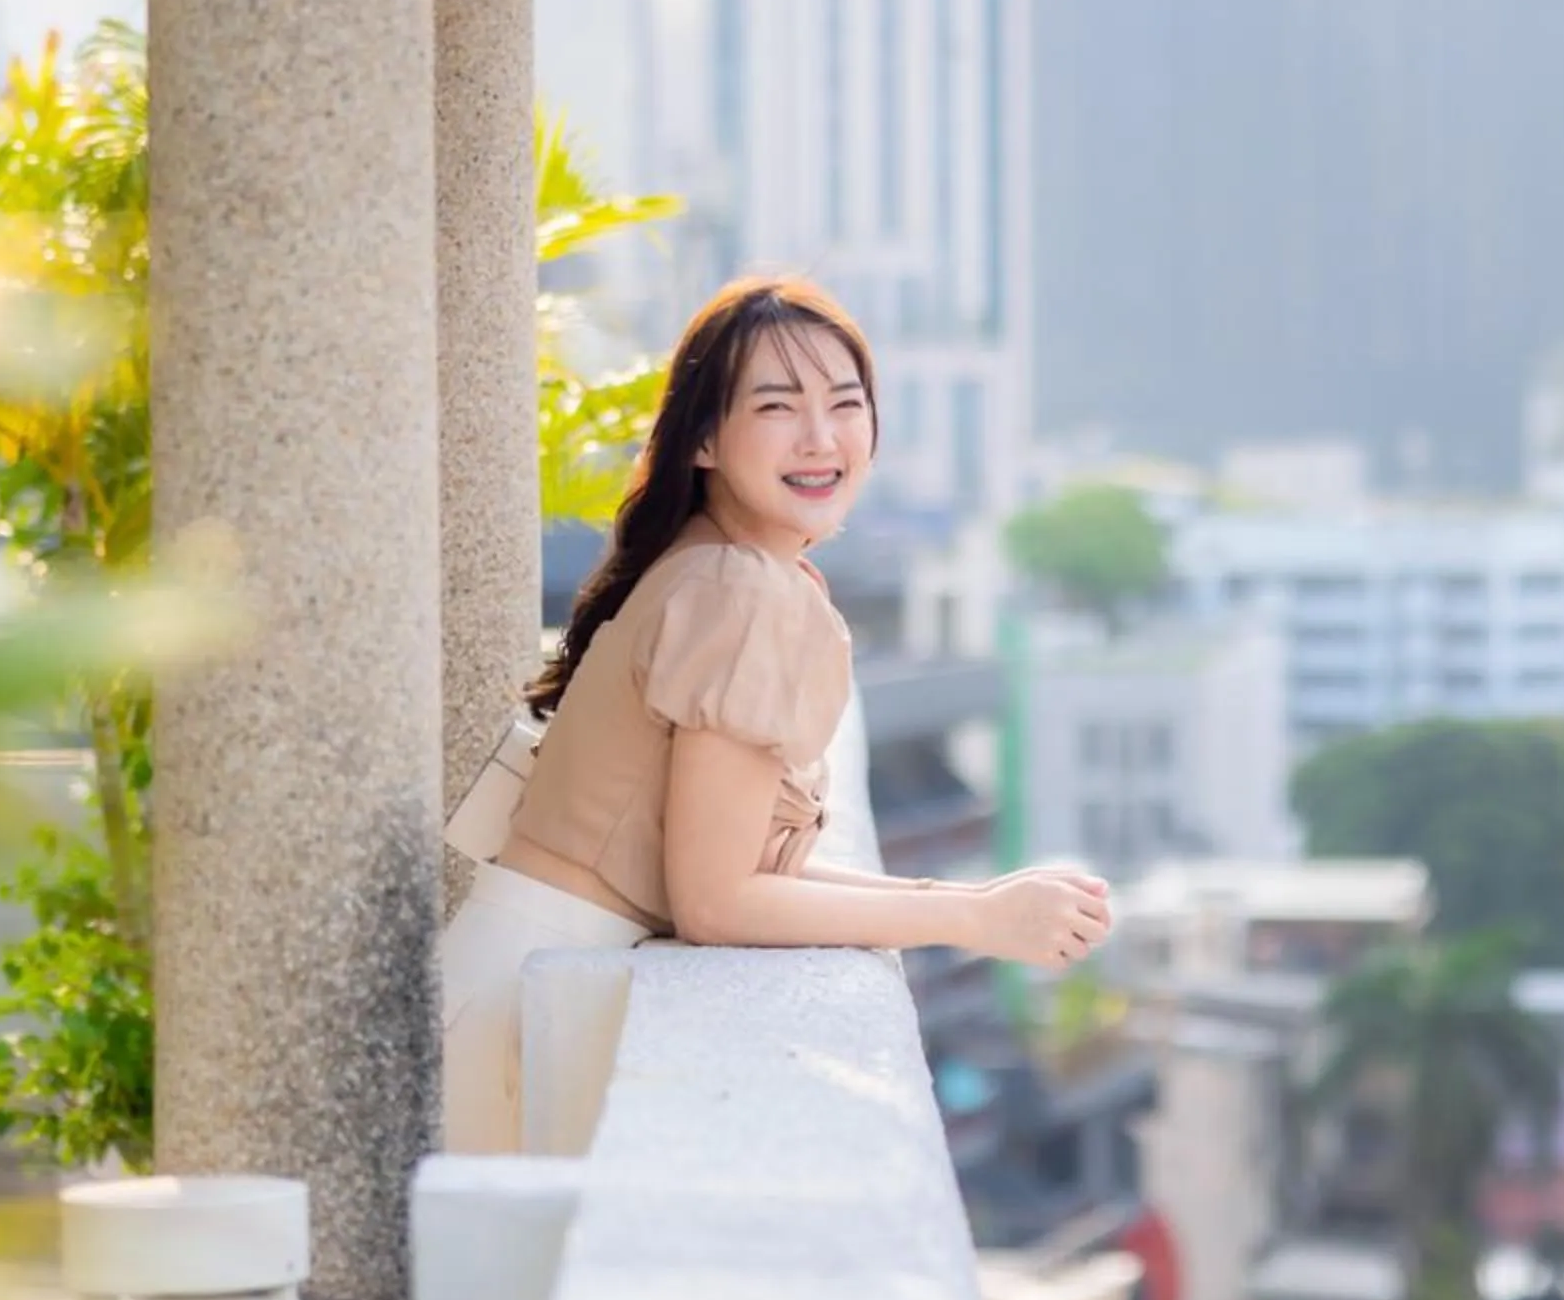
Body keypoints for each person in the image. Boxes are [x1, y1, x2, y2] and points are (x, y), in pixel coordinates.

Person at [438, 274, 1113, 1153]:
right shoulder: (740, 590)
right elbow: (716, 902)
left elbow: (729, 866)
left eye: (845, 403)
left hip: (514, 988)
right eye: (777, 406)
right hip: (521, 1021)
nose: (821, 438)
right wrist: (974, 922)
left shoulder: (716, 564)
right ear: (707, 438)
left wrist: (971, 897)